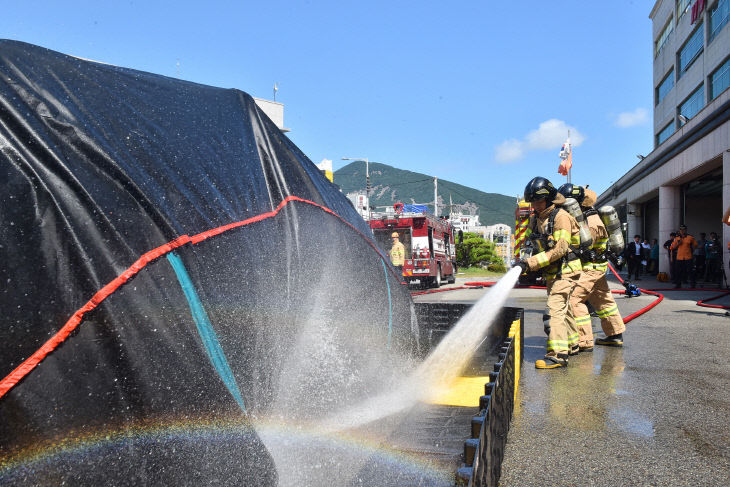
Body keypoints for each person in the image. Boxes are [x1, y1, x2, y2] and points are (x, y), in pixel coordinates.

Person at [516, 177, 582, 369]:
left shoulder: (560, 217)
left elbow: (560, 250)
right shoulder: (536, 219)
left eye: (538, 201)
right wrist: (523, 262)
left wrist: (532, 263)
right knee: (565, 308)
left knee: (554, 310)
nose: (535, 205)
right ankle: (572, 343)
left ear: (549, 198)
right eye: (533, 202)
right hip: (553, 272)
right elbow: (528, 244)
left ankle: (558, 355)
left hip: (567, 270)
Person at [558, 185, 626, 350]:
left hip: (589, 268)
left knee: (574, 300)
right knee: (603, 300)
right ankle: (615, 334)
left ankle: (584, 340)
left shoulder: (588, 222)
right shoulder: (594, 216)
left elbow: (583, 245)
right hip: (598, 267)